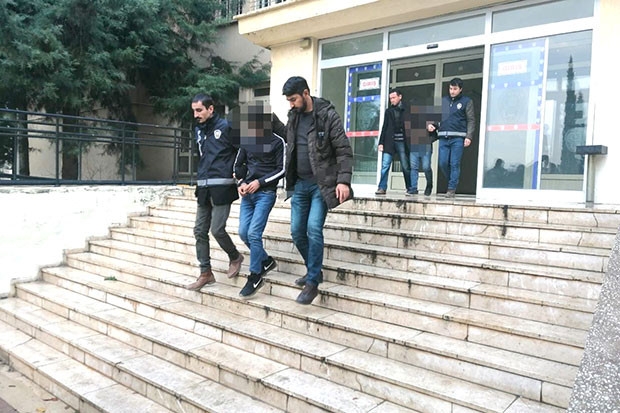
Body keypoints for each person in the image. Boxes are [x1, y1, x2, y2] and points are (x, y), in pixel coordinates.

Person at [281, 76, 353, 305]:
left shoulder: (327, 115)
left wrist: (343, 181)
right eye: (288, 100)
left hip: (322, 184)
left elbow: (343, 150)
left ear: (306, 93)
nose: (291, 104)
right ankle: (315, 270)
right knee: (296, 232)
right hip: (300, 184)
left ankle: (312, 283)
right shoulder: (293, 117)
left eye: (293, 99)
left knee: (313, 228)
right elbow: (290, 144)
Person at [186, 93, 244, 291]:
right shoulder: (198, 130)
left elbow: (242, 151)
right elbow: (201, 156)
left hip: (223, 186)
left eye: (199, 110)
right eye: (194, 111)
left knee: (217, 229)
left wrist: (239, 173)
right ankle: (206, 273)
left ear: (210, 109)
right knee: (199, 231)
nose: (196, 115)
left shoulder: (227, 127)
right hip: (203, 186)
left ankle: (235, 256)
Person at [232, 102, 286, 299]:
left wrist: (260, 182)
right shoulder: (247, 141)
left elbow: (282, 169)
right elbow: (238, 166)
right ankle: (266, 261)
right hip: (248, 194)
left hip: (266, 194)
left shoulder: (278, 142)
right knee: (243, 233)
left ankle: (255, 276)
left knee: (254, 233)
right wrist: (241, 182)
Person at [427, 77, 475, 197]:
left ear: (460, 89)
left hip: (458, 138)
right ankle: (453, 181)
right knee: (442, 163)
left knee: (454, 163)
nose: (452, 91)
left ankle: (451, 188)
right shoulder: (443, 101)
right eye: (450, 88)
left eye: (455, 89)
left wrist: (469, 136)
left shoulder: (466, 101)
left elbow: (471, 120)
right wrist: (432, 125)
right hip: (443, 137)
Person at [376, 88, 414, 195]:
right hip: (389, 142)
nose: (392, 100)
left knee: (405, 165)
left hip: (402, 142)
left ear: (400, 97)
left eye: (393, 97)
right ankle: (382, 187)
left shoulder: (407, 109)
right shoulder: (389, 111)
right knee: (385, 165)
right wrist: (381, 143)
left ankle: (410, 187)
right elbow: (384, 127)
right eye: (390, 98)